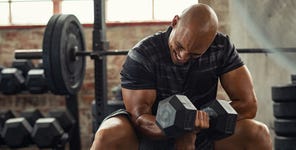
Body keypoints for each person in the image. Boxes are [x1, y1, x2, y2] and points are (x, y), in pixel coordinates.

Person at [90, 3, 272, 150]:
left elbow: (248, 105)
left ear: (210, 42)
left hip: (202, 131)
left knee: (258, 134)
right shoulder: (144, 54)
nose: (183, 56)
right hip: (151, 134)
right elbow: (139, 119)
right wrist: (181, 128)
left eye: (194, 54)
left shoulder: (221, 48)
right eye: (179, 46)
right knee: (108, 135)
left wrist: (203, 121)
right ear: (175, 21)